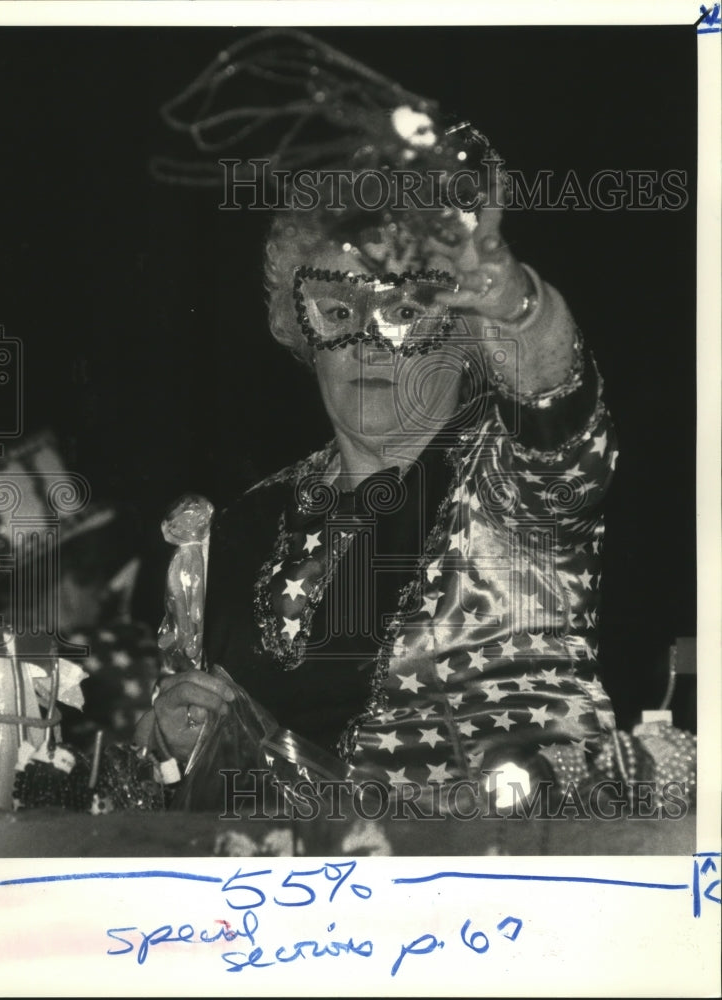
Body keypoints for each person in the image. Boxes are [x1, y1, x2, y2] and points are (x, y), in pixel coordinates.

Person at [134, 30, 623, 804]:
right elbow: (180, 765)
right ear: (301, 332)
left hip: (501, 885)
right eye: (335, 311)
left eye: (400, 311)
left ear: (460, 334)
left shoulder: (509, 484)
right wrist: (176, 736)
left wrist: (509, 300)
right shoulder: (231, 533)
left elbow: (552, 398)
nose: (365, 341)